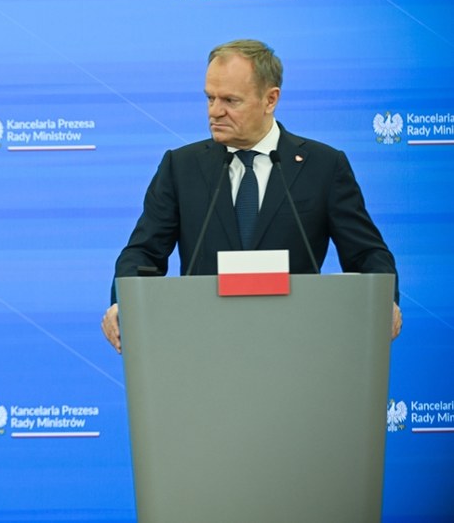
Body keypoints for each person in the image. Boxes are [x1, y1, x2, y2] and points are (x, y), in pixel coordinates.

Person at [100, 39, 402, 351]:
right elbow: (143, 253)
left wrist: (384, 301)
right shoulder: (181, 166)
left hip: (298, 349)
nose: (215, 112)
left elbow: (367, 253)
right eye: (210, 98)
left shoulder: (323, 166)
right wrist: (123, 304)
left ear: (270, 100)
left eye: (230, 100)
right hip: (202, 348)